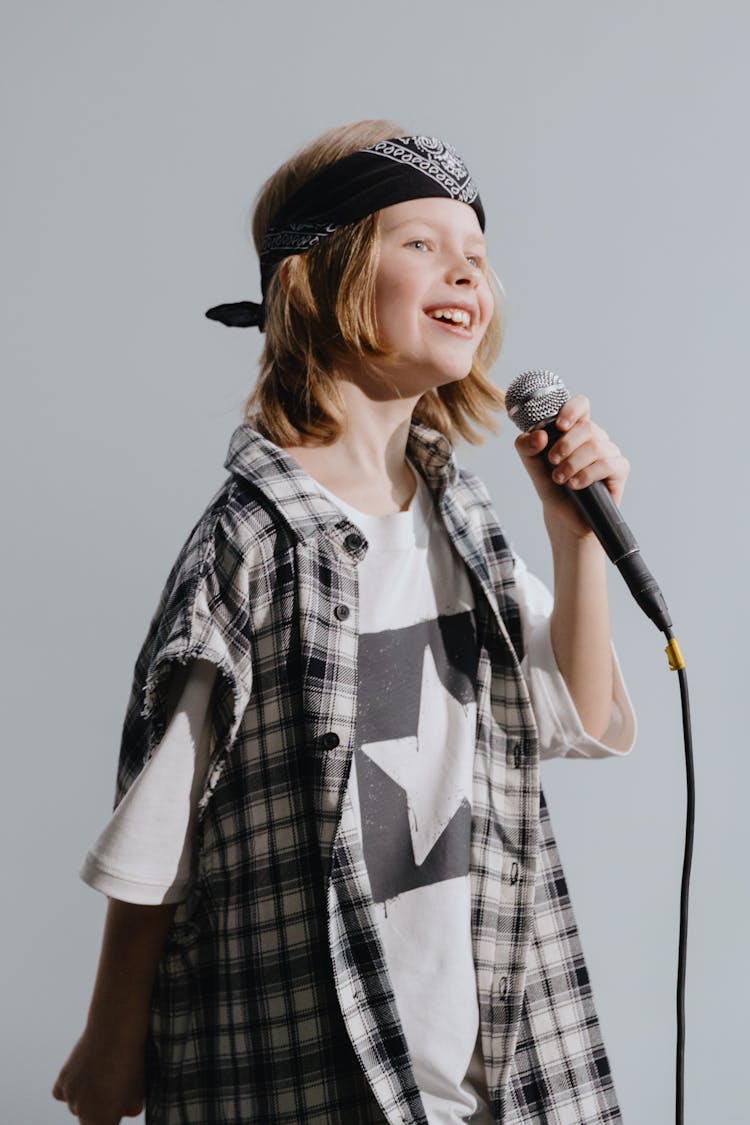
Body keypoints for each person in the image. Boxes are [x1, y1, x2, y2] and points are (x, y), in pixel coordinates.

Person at [53, 121, 636, 1125]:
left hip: (503, 1052)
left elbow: (577, 718)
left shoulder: (470, 522)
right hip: (310, 1060)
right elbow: (159, 837)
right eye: (421, 244)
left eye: (477, 255)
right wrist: (112, 1049)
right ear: (315, 279)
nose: (464, 272)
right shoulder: (248, 548)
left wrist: (573, 533)